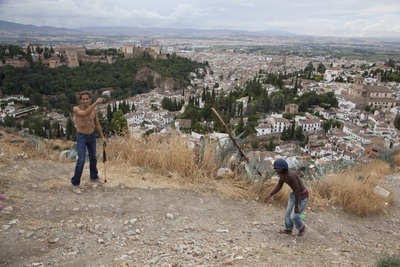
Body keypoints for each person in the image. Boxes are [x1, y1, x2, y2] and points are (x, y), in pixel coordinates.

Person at [71, 92, 106, 195]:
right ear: (80, 100)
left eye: (87, 99)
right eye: (83, 99)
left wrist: (102, 137)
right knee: (81, 160)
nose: (85, 101)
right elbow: (84, 114)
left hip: (91, 135)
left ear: (89, 99)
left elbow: (97, 124)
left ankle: (94, 176)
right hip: (81, 136)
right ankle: (75, 183)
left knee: (93, 157)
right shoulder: (76, 109)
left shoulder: (94, 110)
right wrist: (96, 103)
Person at [264, 158, 309, 236]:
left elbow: (297, 191)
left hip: (302, 196)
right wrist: (269, 195)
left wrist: (296, 206)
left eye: (277, 168)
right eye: (275, 168)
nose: (276, 170)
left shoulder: (290, 175)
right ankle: (288, 229)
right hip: (294, 195)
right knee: (288, 214)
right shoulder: (282, 175)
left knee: (294, 216)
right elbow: (279, 185)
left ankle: (301, 228)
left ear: (283, 168)